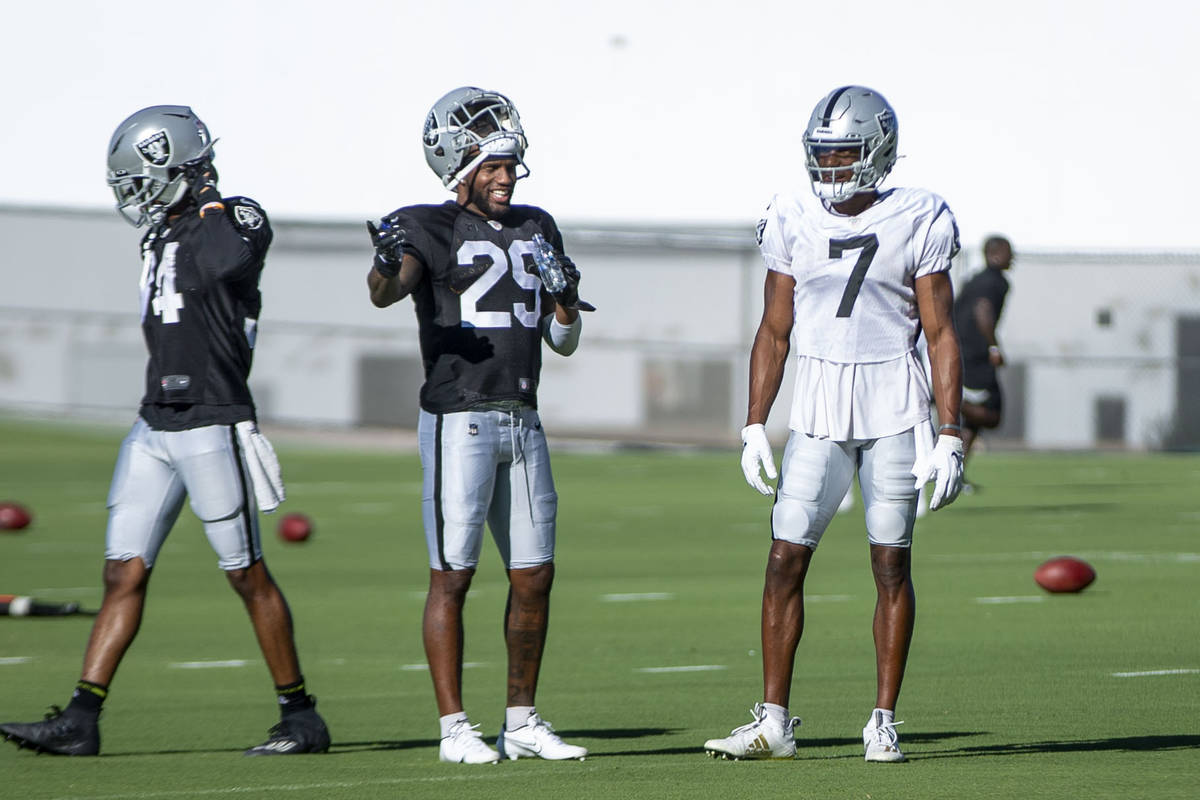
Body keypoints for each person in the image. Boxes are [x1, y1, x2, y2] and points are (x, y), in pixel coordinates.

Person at [0, 106, 329, 757]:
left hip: (211, 418)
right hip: (155, 421)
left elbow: (238, 255)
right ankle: (81, 718)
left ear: (182, 167)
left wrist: (211, 201)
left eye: (145, 178)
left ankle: (301, 717)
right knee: (122, 572)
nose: (135, 194)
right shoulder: (163, 233)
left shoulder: (230, 218)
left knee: (245, 573)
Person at [704, 86, 965, 764]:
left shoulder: (919, 214)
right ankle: (773, 722)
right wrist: (754, 423)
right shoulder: (791, 213)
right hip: (818, 401)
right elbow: (773, 327)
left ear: (877, 149)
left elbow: (940, 332)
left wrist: (951, 431)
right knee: (784, 557)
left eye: (844, 153)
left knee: (889, 562)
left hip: (893, 404)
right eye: (822, 155)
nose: (831, 168)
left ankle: (882, 719)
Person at [366, 87, 592, 765]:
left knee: (535, 574)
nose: (504, 176)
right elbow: (387, 291)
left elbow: (565, 342)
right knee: (453, 576)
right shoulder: (424, 225)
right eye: (491, 164)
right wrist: (383, 261)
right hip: (458, 419)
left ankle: (520, 720)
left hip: (523, 419)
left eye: (509, 164)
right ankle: (454, 727)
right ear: (457, 165)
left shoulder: (538, 224)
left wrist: (567, 303)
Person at [954, 236, 1013, 476]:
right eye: (1009, 252)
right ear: (995, 253)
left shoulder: (976, 279)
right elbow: (982, 311)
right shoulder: (995, 282)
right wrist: (994, 348)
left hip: (960, 349)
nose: (1013, 257)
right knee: (992, 412)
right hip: (974, 354)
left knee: (973, 425)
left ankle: (957, 475)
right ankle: (944, 399)